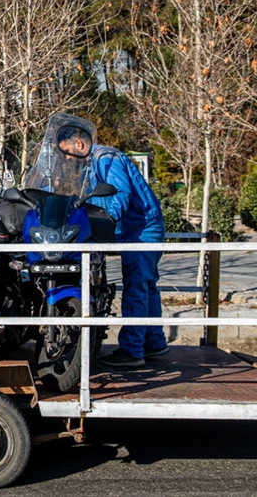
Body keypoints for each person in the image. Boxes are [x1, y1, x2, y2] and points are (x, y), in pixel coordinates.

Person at [32, 114, 168, 368]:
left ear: (80, 143)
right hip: (139, 226)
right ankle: (155, 343)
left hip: (140, 228)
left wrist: (102, 224)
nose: (68, 158)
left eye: (68, 152)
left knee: (137, 286)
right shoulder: (95, 163)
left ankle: (133, 351)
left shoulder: (106, 158)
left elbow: (118, 195)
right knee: (147, 287)